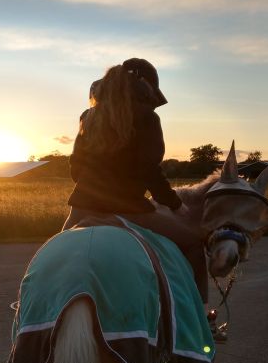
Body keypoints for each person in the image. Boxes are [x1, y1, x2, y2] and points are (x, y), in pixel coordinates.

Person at [62, 58, 208, 305]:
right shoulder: (148, 118)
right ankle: (201, 316)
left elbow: (76, 167)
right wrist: (175, 204)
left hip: (81, 208)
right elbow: (149, 170)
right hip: (129, 211)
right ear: (145, 88)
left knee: (51, 254)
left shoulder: (88, 116)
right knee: (193, 243)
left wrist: (92, 189)